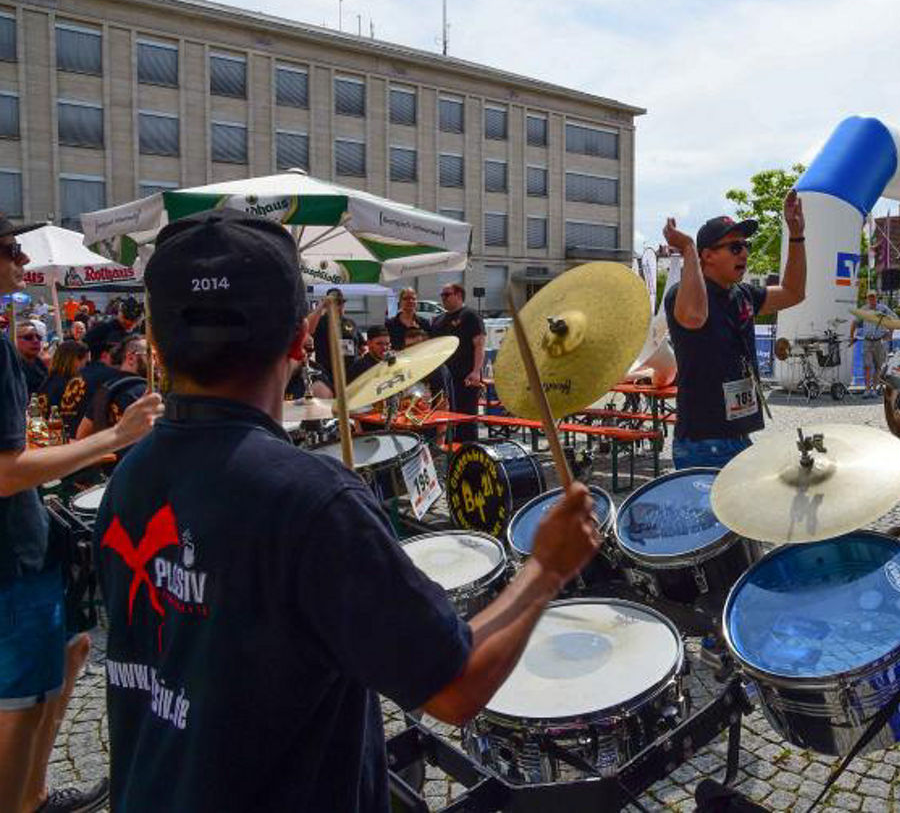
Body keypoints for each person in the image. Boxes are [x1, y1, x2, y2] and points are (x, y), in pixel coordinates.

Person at [94, 209, 599, 811]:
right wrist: (546, 568)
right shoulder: (309, 500)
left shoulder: (130, 476)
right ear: (301, 339)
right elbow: (455, 688)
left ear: (153, 341)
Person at [0, 218, 163, 813]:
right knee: (21, 701)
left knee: (71, 649)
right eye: (8, 248)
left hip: (27, 541)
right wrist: (113, 438)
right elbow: (4, 471)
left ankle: (35, 794)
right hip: (11, 556)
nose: (20, 258)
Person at [663, 192, 807, 469]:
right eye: (734, 247)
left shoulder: (742, 294)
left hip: (738, 436)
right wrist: (688, 249)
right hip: (704, 442)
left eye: (745, 245)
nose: (744, 252)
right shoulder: (681, 295)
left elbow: (793, 292)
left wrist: (797, 235)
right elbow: (694, 316)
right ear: (708, 256)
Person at [428, 283, 486, 442]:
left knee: (466, 421)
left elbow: (479, 345)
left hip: (465, 378)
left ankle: (469, 459)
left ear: (459, 295)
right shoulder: (438, 320)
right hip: (443, 380)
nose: (443, 298)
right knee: (445, 419)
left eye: (447, 294)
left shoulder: (470, 316)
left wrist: (476, 372)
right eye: (442, 295)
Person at [75, 333, 148, 440]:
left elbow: (81, 435)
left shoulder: (105, 389)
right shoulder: (146, 391)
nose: (156, 362)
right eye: (151, 355)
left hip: (110, 454)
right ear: (131, 358)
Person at [61, 324, 125, 435]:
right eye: (117, 352)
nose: (120, 357)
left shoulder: (79, 374)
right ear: (105, 355)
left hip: (68, 435)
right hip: (88, 442)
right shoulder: (110, 377)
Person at [310, 287, 364, 382]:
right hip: (328, 374)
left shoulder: (350, 323)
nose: (339, 307)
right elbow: (309, 328)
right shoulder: (320, 322)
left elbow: (361, 345)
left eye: (341, 303)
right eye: (335, 304)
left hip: (351, 373)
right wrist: (321, 306)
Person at [850, 290, 895, 397]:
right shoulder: (864, 310)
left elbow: (893, 320)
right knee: (867, 366)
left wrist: (890, 333)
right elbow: (854, 323)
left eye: (873, 297)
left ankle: (874, 389)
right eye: (869, 298)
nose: (871, 299)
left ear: (876, 298)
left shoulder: (883, 309)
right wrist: (851, 336)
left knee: (878, 366)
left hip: (879, 341)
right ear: (867, 299)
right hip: (867, 341)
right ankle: (867, 389)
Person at [37, 339, 89, 432]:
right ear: (76, 360)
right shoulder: (74, 384)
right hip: (63, 435)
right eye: (85, 361)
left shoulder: (47, 382)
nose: (85, 366)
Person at [15, 320, 48, 396]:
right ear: (15, 340)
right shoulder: (13, 368)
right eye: (28, 337)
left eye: (39, 337)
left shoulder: (41, 364)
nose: (36, 340)